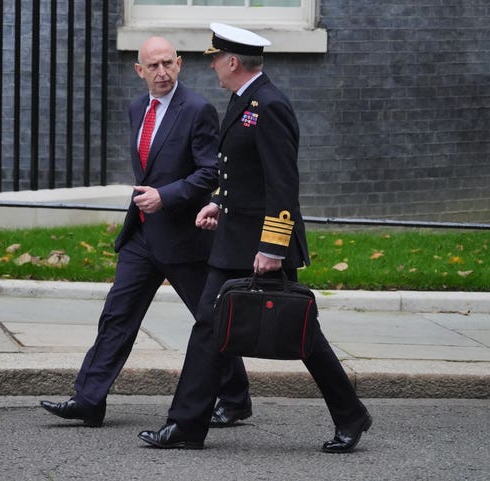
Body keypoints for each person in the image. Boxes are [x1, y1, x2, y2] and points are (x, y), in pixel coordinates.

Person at [138, 23, 372, 453]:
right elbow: (242, 173)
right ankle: (187, 424)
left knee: (302, 333)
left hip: (262, 245)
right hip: (234, 240)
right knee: (209, 327)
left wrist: (272, 246)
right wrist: (219, 203)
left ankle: (351, 415)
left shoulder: (269, 105)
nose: (211, 66)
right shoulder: (243, 101)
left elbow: (282, 184)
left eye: (215, 58)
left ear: (231, 62)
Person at [40, 36, 251, 427]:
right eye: (153, 66)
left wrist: (165, 197)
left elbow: (210, 171)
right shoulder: (138, 107)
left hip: (185, 239)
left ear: (180, 64)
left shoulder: (198, 109)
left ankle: (235, 398)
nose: (162, 72)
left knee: (209, 319)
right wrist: (150, 203)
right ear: (140, 70)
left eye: (168, 63)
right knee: (117, 315)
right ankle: (88, 399)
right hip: (142, 236)